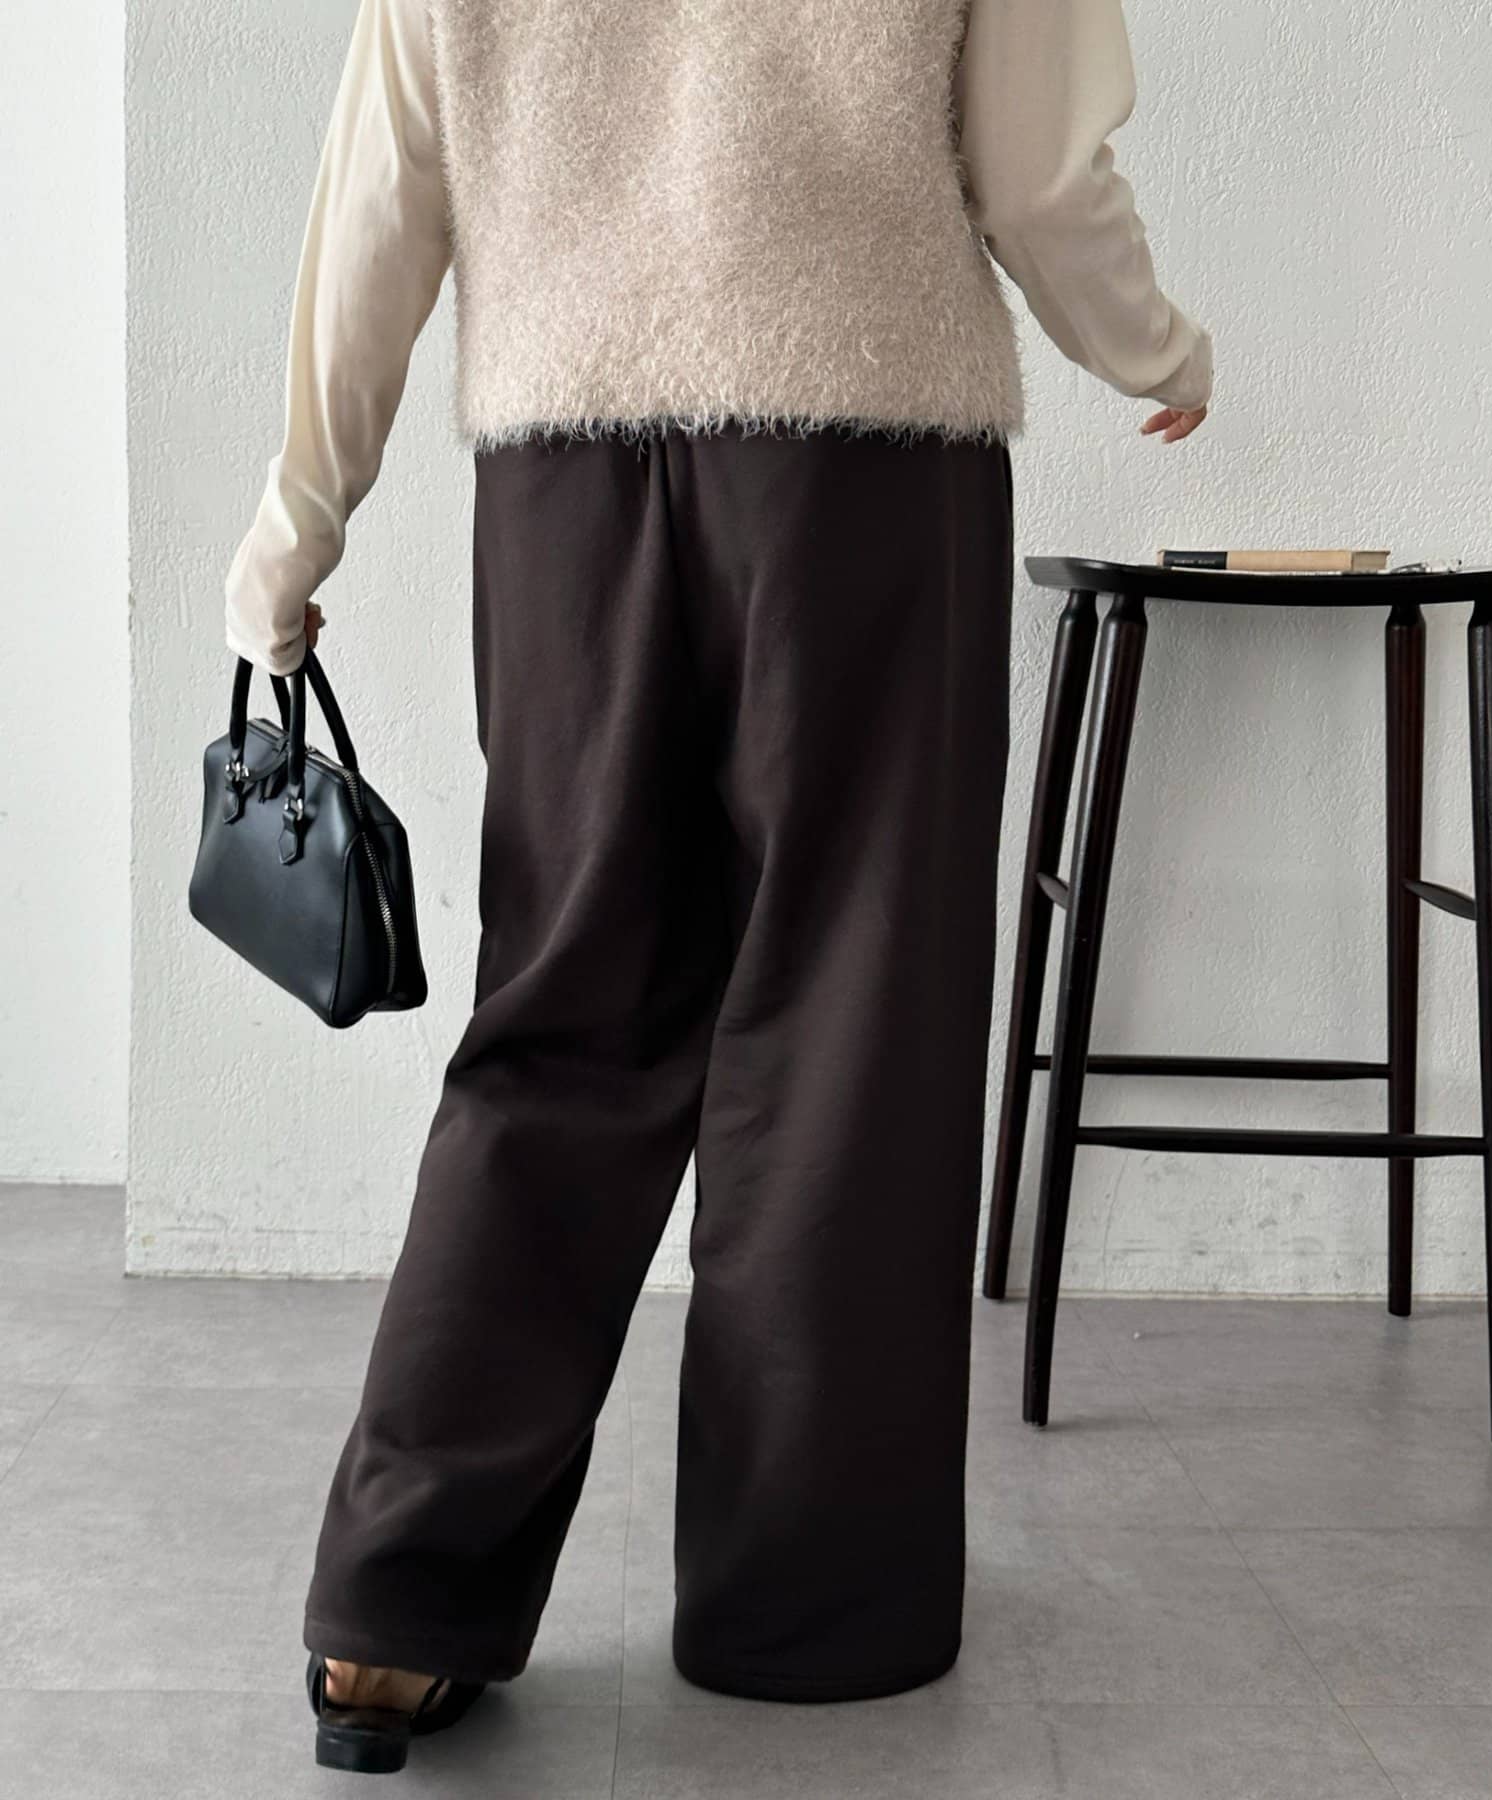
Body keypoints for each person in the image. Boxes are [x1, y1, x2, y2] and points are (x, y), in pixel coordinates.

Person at [225, 0, 1211, 1773]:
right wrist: (1154, 349)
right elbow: (1039, 171)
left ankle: (396, 1607)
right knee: (849, 1027)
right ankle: (806, 1609)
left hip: (563, 488)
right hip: (864, 473)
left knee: (562, 1018)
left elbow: (385, 189)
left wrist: (300, 517)